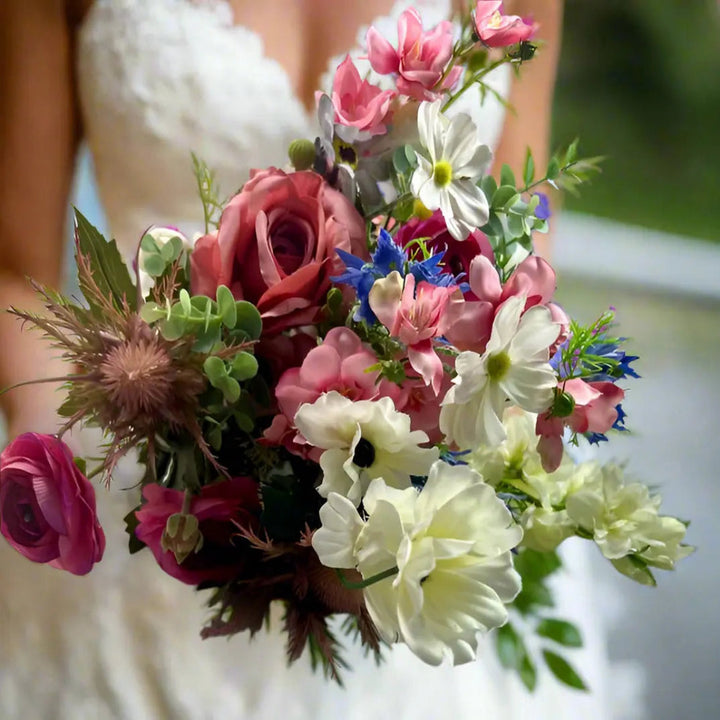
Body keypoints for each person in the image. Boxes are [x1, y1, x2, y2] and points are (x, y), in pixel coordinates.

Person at [0, 1, 634, 718]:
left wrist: (457, 443)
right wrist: (74, 439)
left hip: (401, 536)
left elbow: (523, 249)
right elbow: (14, 272)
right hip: (133, 506)